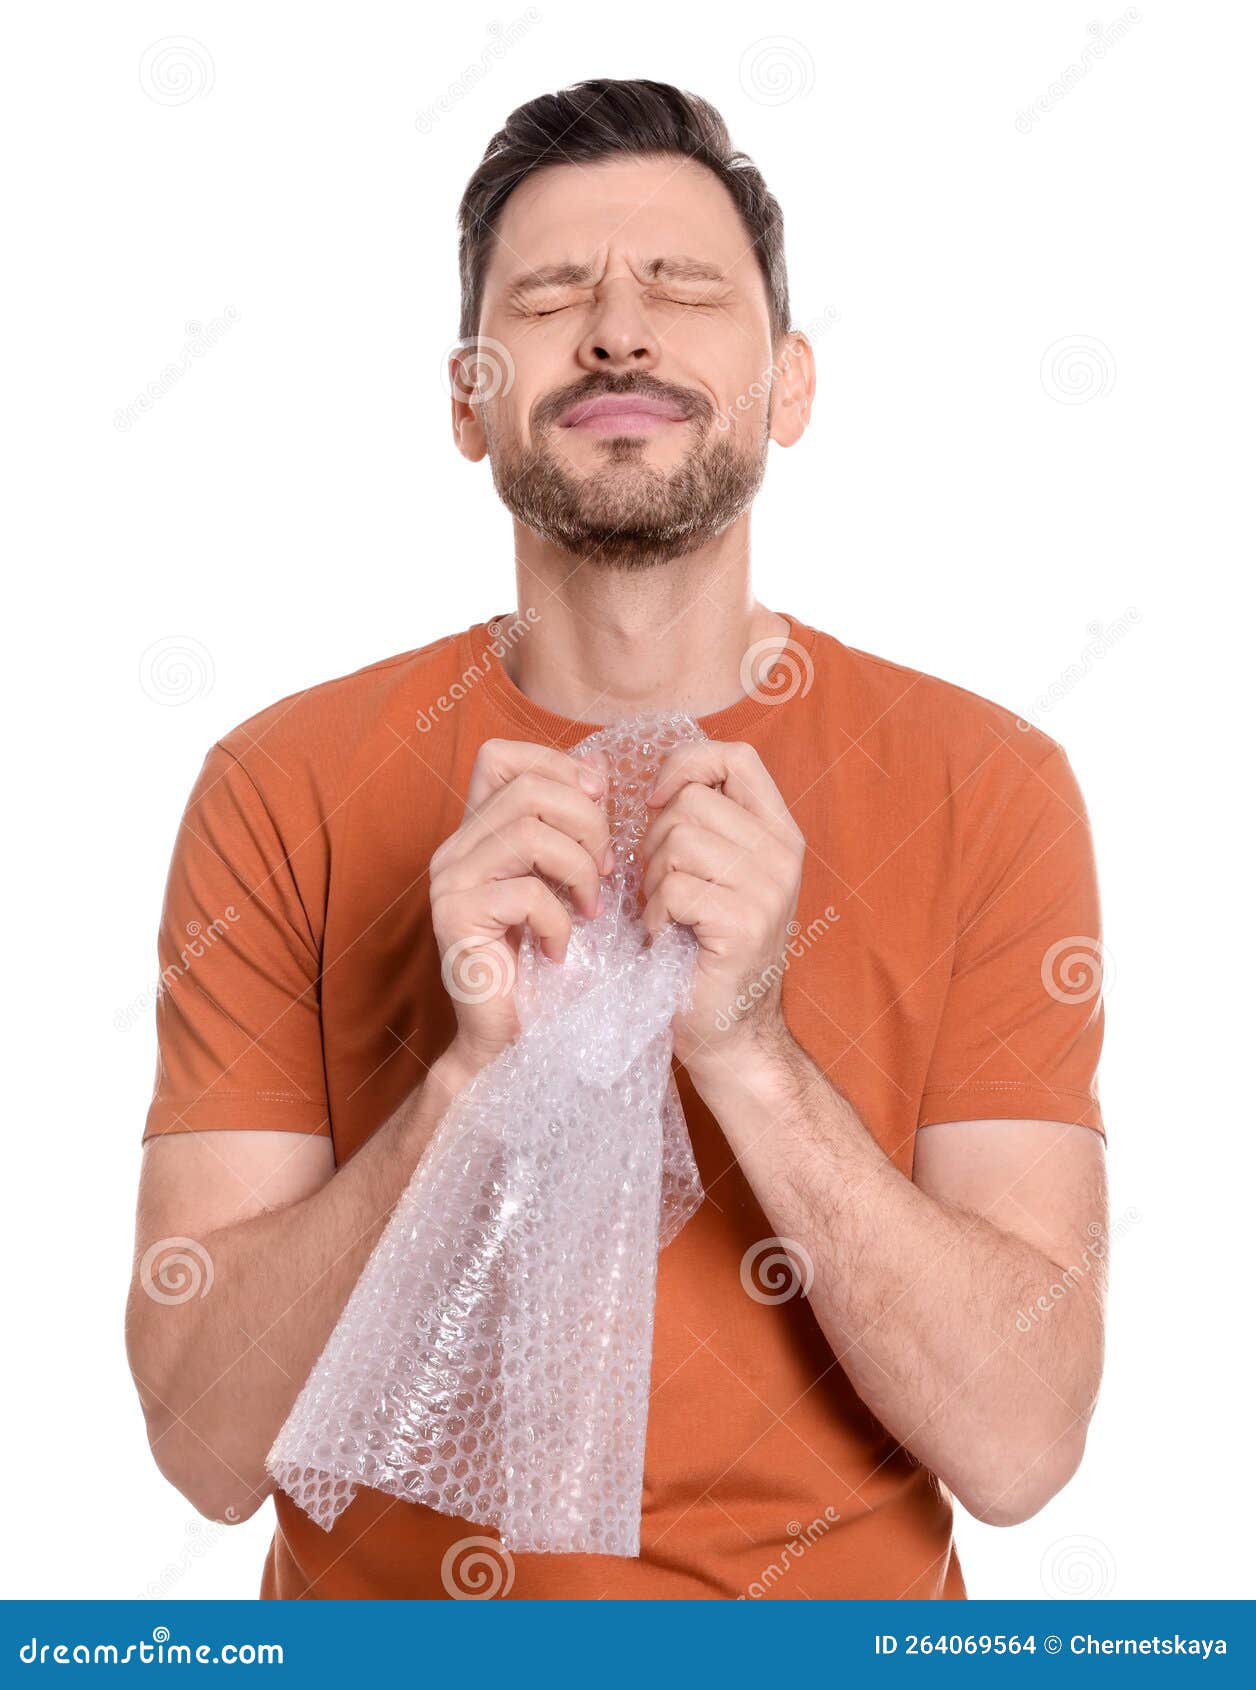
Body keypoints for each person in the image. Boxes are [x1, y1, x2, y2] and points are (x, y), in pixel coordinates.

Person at [126, 78, 1107, 1601]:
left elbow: (1026, 1445)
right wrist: (467, 1082)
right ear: (468, 396)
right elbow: (201, 1440)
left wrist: (752, 1053)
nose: (620, 332)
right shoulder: (283, 785)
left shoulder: (990, 783)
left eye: (684, 289)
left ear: (788, 382)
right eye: (555, 294)